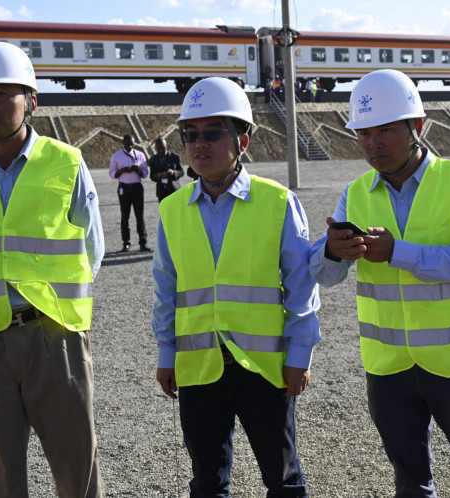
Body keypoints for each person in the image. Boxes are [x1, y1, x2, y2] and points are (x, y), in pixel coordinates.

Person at [309, 69, 450, 497]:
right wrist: (331, 251)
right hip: (390, 370)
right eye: (364, 134)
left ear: (416, 127)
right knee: (411, 486)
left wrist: (397, 252)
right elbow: (324, 276)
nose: (373, 143)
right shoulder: (356, 190)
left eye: (385, 130)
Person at [0, 41, 105, 497]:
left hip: (53, 336)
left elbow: (92, 250)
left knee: (78, 468)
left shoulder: (66, 163)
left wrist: (53, 301)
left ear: (31, 101)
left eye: (1, 93)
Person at [152, 77, 320, 497]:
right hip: (198, 366)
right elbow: (166, 289)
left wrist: (300, 355)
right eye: (190, 135)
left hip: (264, 368)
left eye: (213, 133)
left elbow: (301, 288)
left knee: (282, 478)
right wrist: (166, 353)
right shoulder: (172, 209)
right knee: (207, 480)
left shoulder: (277, 202)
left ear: (242, 139)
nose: (199, 144)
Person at [110, 134, 150, 252]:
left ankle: (143, 242)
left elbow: (145, 173)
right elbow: (112, 173)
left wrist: (137, 170)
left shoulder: (140, 155)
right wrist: (122, 170)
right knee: (125, 215)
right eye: (127, 144)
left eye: (132, 144)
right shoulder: (116, 156)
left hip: (137, 187)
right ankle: (126, 242)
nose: (130, 146)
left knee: (140, 215)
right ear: (123, 143)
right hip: (124, 187)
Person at [148, 136, 184, 203]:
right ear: (155, 148)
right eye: (158, 149)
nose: (161, 150)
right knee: (164, 213)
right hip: (161, 192)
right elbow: (152, 176)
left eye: (162, 148)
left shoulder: (175, 157)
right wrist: (157, 176)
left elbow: (182, 172)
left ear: (166, 146)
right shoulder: (153, 160)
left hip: (175, 189)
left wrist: (173, 172)